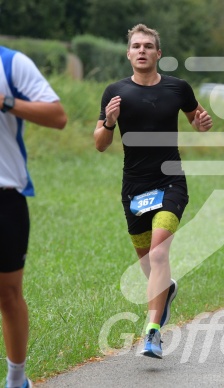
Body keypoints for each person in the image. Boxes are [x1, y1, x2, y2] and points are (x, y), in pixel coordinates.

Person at [93, 24, 212, 359]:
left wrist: (201, 124)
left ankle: (152, 332)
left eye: (148, 46)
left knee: (159, 255)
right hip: (134, 187)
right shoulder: (115, 92)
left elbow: (196, 118)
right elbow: (100, 145)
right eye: (136, 46)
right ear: (129, 53)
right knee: (149, 266)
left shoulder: (178, 88)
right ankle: (167, 289)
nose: (142, 50)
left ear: (159, 54)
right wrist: (109, 121)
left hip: (171, 181)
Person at [1, 46, 67, 388]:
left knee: (8, 294)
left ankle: (16, 380)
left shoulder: (11, 63)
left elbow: (58, 116)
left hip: (5, 197)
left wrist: (5, 101)